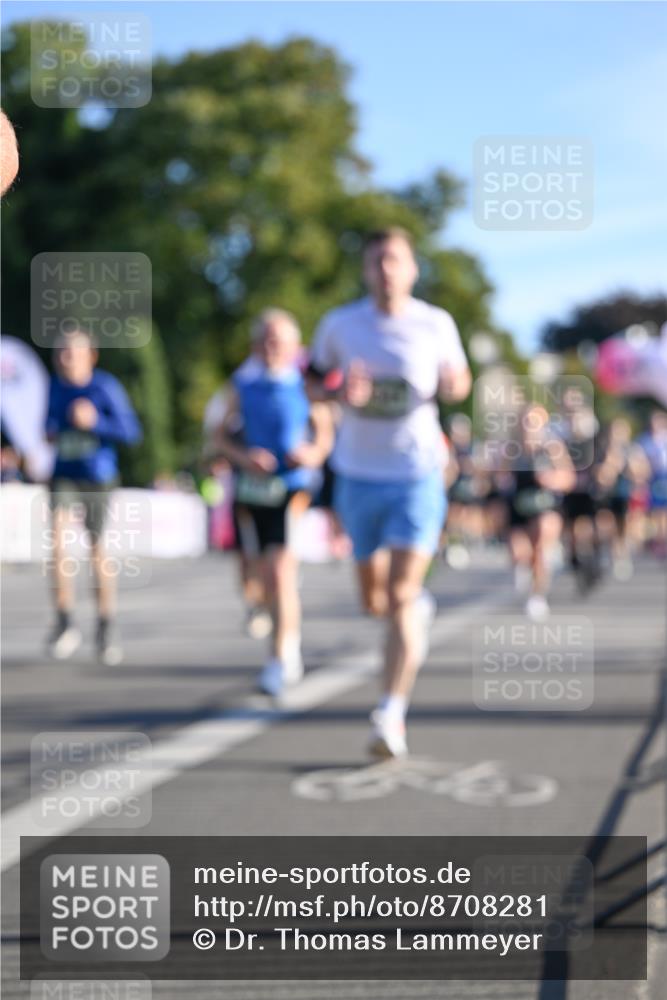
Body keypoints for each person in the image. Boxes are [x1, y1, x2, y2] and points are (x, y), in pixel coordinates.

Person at [307, 227, 471, 758]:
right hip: (357, 472)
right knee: (374, 600)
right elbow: (309, 381)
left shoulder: (435, 323)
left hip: (416, 470)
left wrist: (453, 384)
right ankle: (411, 608)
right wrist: (336, 390)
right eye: (376, 261)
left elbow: (461, 381)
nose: (385, 270)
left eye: (394, 260)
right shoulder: (340, 324)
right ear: (365, 270)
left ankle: (390, 714)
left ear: (412, 268)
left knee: (399, 595)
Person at [215, 309, 334, 695]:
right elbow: (218, 436)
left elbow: (324, 436)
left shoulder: (305, 386)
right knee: (259, 574)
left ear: (294, 347)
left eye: (279, 341)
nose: (272, 348)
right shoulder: (241, 386)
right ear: (255, 345)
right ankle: (283, 635)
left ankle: (281, 657)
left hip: (291, 489)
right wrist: (244, 457)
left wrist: (311, 454)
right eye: (266, 340)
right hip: (252, 491)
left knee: (281, 571)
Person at [44, 329, 141, 664]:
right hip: (64, 474)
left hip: (98, 476)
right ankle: (64, 620)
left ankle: (105, 623)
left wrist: (95, 422)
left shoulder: (105, 387)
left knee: (96, 549)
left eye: (72, 352)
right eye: (60, 353)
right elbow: (48, 427)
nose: (65, 359)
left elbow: (131, 431)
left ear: (91, 355)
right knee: (56, 542)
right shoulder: (54, 386)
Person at [507, 404, 575, 620]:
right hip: (519, 506)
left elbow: (568, 478)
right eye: (526, 420)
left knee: (540, 544)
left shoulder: (552, 447)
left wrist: (551, 479)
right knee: (519, 552)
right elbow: (496, 476)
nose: (529, 425)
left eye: (534, 421)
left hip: (545, 504)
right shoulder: (511, 448)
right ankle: (527, 569)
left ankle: (537, 596)